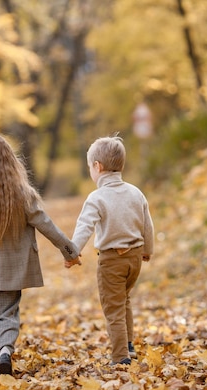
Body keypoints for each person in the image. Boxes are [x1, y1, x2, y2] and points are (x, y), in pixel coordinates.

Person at [0, 132, 81, 376]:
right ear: (10, 161)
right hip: (13, 267)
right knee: (7, 313)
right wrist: (69, 250)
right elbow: (45, 223)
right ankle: (5, 351)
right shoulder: (21, 193)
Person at [65, 135, 154, 365]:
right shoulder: (136, 192)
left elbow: (84, 226)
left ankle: (120, 356)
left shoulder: (97, 197)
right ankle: (129, 344)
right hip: (135, 257)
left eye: (90, 168)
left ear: (98, 166)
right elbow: (147, 224)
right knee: (124, 300)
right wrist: (147, 250)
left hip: (112, 260)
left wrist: (73, 253)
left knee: (113, 308)